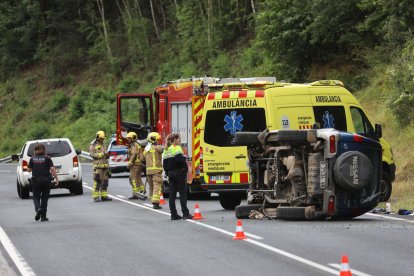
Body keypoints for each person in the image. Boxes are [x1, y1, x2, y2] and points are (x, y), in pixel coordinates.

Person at [27, 143, 59, 222]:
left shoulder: (32, 159)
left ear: (35, 150)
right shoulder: (47, 158)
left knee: (35, 197)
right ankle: (43, 217)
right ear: (44, 150)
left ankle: (38, 209)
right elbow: (52, 169)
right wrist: (56, 179)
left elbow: (29, 170)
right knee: (45, 199)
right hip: (46, 181)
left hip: (36, 181)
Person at [166, 134, 192, 220]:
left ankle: (173, 214)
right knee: (183, 194)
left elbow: (164, 164)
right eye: (179, 140)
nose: (180, 141)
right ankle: (185, 213)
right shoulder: (177, 148)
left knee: (172, 195)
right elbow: (179, 159)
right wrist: (185, 168)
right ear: (175, 140)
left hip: (170, 173)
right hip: (178, 173)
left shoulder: (167, 149)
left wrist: (168, 172)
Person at [141, 132, 164, 209]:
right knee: (157, 186)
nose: (158, 141)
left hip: (149, 171)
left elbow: (142, 159)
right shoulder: (158, 148)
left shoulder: (146, 149)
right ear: (154, 140)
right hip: (156, 171)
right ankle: (155, 203)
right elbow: (164, 150)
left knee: (151, 187)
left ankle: (152, 199)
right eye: (157, 139)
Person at [89, 130, 112, 202]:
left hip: (105, 166)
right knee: (97, 182)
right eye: (101, 138)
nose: (103, 139)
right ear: (98, 137)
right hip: (98, 167)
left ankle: (104, 196)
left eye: (103, 138)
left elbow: (105, 154)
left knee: (105, 182)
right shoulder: (93, 145)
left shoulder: (103, 144)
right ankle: (96, 197)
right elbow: (92, 154)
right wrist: (101, 154)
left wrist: (107, 155)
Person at [126, 131, 146, 200]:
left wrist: (130, 163)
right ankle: (142, 191)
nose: (128, 140)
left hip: (135, 165)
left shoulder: (134, 145)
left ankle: (135, 194)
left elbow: (133, 155)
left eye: (129, 138)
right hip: (139, 164)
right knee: (138, 179)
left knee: (133, 179)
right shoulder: (136, 144)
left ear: (133, 138)